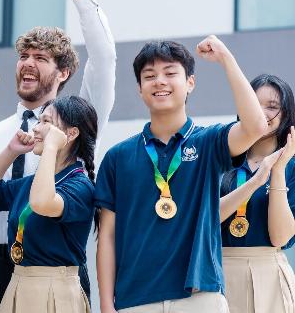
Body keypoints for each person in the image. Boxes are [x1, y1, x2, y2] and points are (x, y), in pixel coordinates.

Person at [0, 0, 116, 313]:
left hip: (57, 270)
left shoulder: (78, 123)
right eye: (23, 56)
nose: (27, 63)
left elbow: (104, 59)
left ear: (63, 72)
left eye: (40, 58)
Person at [95, 37, 268, 313]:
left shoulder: (208, 142)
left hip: (200, 297)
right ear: (140, 89)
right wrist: (106, 304)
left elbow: (256, 126)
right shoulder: (118, 156)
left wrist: (225, 58)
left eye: (170, 73)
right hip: (134, 300)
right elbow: (108, 235)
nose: (160, 81)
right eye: (149, 76)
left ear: (190, 82)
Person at [0, 96, 98, 312]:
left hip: (56, 289)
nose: (37, 128)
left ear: (71, 134)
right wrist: (11, 151)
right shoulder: (31, 183)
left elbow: (41, 203)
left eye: (46, 122)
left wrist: (50, 147)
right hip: (18, 282)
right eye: (39, 121)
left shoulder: (80, 185)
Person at [219, 74, 295, 313]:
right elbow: (205, 219)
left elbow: (280, 238)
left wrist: (278, 169)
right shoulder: (220, 157)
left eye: (272, 106)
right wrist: (254, 182)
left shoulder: (292, 166)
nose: (261, 112)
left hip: (269, 273)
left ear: (286, 114)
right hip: (216, 269)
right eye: (253, 103)